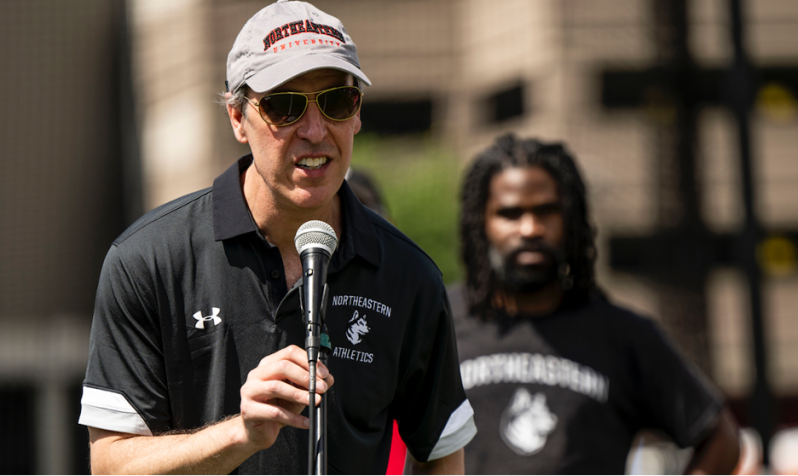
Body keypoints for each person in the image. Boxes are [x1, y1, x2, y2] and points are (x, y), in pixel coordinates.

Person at [77, 1, 476, 474]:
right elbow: (109, 465)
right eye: (283, 106)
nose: (314, 130)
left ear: (357, 114)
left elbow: (441, 454)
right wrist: (240, 434)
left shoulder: (410, 275)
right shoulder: (147, 259)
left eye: (336, 101)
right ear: (237, 118)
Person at [451, 133, 740, 475]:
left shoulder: (623, 335)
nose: (530, 228)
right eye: (510, 214)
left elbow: (720, 437)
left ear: (571, 219)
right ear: (480, 224)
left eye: (546, 211)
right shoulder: (437, 321)